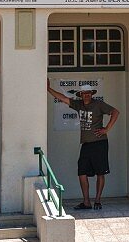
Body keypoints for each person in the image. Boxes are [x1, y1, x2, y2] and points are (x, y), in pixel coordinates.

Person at [47, 78, 119, 209]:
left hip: (99, 143)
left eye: (89, 93)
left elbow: (115, 112)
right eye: (84, 93)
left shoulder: (98, 104)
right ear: (81, 94)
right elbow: (63, 98)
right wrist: (48, 89)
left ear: (92, 94)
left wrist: (107, 128)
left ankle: (97, 200)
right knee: (82, 172)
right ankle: (86, 201)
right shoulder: (79, 104)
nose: (86, 95)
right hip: (86, 144)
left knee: (100, 173)